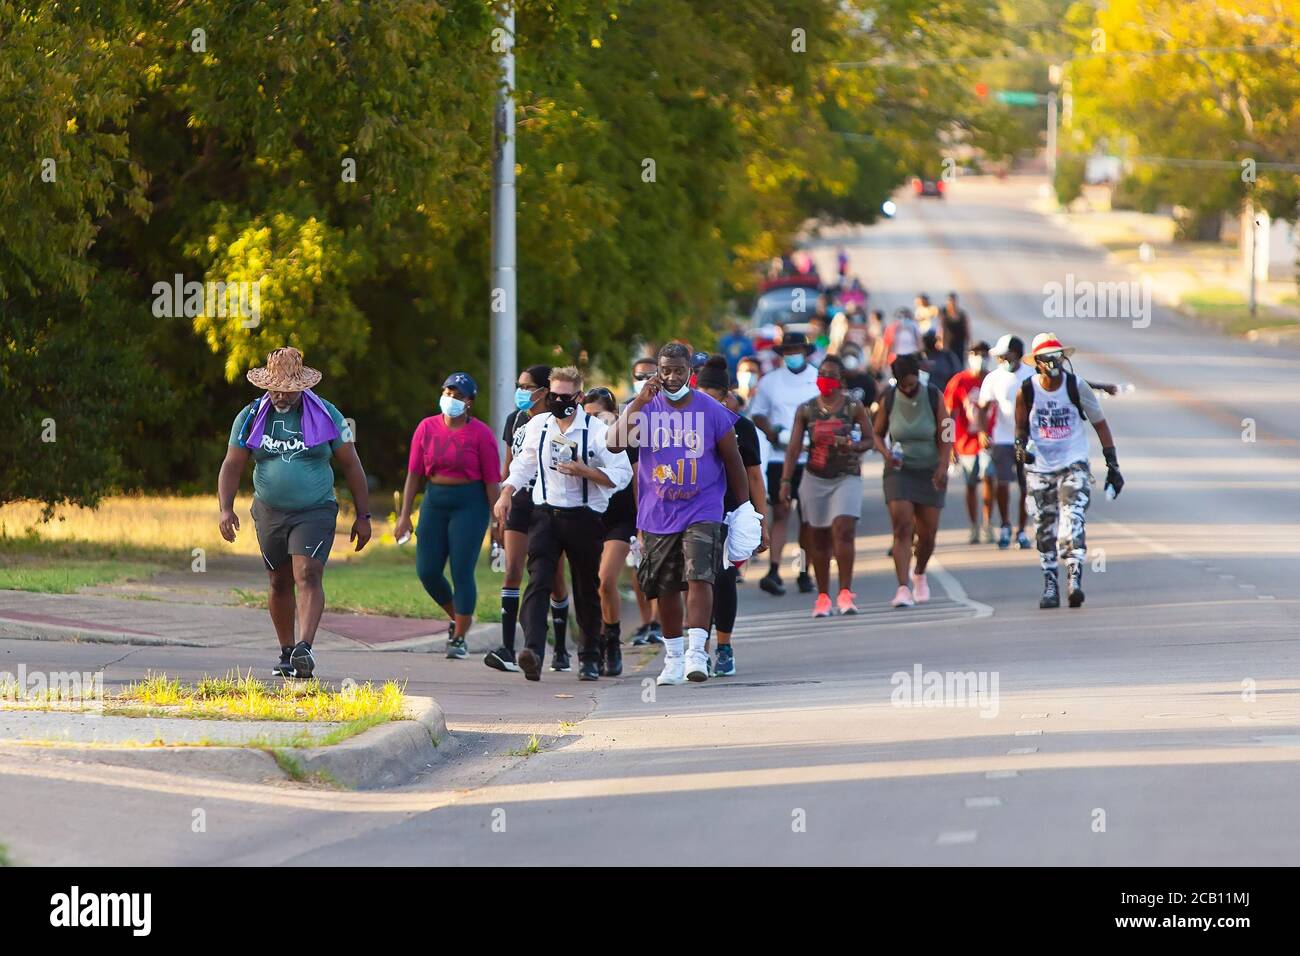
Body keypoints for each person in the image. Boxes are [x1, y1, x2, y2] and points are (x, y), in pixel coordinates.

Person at [218, 346, 371, 679]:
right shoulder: (250, 417)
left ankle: (305, 647)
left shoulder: (327, 414)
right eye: (274, 387)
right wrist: (225, 509)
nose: (281, 395)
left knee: (308, 575)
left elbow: (351, 464)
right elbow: (232, 464)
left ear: (302, 386)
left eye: (287, 388)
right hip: (269, 511)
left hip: (314, 511)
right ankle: (288, 652)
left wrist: (363, 515)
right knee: (278, 581)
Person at [608, 343, 749, 685]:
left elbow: (733, 461)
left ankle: (696, 653)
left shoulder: (710, 410)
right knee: (666, 586)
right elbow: (613, 443)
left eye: (679, 371)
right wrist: (639, 401)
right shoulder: (645, 408)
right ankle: (672, 657)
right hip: (657, 511)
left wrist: (744, 509)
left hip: (703, 507)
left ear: (691, 372)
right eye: (666, 370)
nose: (672, 377)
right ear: (658, 371)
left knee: (700, 576)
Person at [492, 367, 632, 681]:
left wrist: (587, 472)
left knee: (585, 588)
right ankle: (533, 651)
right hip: (545, 516)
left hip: (584, 517)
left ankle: (589, 657)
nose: (557, 401)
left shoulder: (597, 431)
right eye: (553, 395)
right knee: (538, 580)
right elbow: (523, 464)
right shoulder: (538, 426)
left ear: (579, 397)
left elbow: (622, 475)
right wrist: (507, 493)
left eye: (565, 397)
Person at [395, 372, 500, 659]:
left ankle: (460, 638)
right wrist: (404, 515)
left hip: (470, 503)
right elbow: (414, 473)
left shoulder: (481, 434)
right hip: (435, 500)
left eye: (458, 395)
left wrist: (497, 520)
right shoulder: (426, 428)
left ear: (469, 402)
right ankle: (460, 615)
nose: (451, 399)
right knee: (427, 570)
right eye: (448, 392)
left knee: (461, 570)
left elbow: (492, 481)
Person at [1015, 333, 1123, 609]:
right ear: (1037, 363)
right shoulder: (1026, 390)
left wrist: (1112, 464)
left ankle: (1074, 579)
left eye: (1057, 357)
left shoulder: (1077, 386)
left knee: (1072, 519)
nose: (1053, 363)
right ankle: (1050, 583)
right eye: (1047, 358)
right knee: (1044, 527)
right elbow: (1020, 428)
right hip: (1040, 467)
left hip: (1073, 463)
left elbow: (1100, 424)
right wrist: (1019, 448)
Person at [484, 365, 573, 674]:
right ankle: (508, 649)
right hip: (520, 500)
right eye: (518, 385)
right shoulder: (516, 419)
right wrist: (501, 504)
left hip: (547, 501)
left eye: (526, 386)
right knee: (512, 571)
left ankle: (561, 648)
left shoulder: (557, 419)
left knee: (553, 578)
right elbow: (509, 465)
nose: (520, 391)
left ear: (543, 391)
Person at [781, 355, 872, 616]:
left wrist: (853, 445)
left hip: (847, 475)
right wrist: (786, 481)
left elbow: (869, 439)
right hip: (815, 478)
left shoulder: (853, 406)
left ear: (841, 380)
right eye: (822, 374)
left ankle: (845, 592)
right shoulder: (806, 409)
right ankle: (822, 596)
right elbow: (794, 447)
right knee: (817, 537)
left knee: (844, 529)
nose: (825, 379)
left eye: (831, 375)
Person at [696, 356, 768, 676]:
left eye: (715, 399)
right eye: (702, 398)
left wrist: (759, 521)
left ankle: (723, 646)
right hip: (692, 511)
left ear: (727, 396)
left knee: (723, 578)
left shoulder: (742, 428)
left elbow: (754, 478)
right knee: (697, 580)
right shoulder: (685, 424)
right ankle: (698, 649)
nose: (707, 405)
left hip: (728, 512)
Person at [873, 354, 952, 608]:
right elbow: (876, 433)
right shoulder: (889, 397)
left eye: (911, 384)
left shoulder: (932, 395)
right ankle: (902, 588)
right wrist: (886, 454)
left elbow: (947, 430)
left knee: (927, 534)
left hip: (930, 469)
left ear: (918, 377)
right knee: (902, 527)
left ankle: (919, 573)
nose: (908, 389)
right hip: (900, 471)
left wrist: (943, 464)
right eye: (903, 385)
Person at [748, 330, 820, 597]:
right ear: (782, 354)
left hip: (811, 456)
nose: (792, 356)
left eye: (796, 351)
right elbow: (757, 413)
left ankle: (804, 571)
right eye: (788, 352)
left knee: (809, 518)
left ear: (805, 352)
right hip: (781, 456)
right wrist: (774, 433)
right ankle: (774, 569)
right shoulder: (770, 382)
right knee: (781, 511)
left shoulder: (816, 379)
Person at [582, 386, 635, 676]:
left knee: (605, 580)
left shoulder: (624, 441)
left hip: (620, 518)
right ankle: (594, 641)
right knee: (588, 585)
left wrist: (643, 524)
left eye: (599, 415)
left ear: (614, 415)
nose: (593, 422)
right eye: (586, 415)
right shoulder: (578, 439)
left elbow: (639, 480)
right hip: (588, 516)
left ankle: (612, 641)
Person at [977, 334, 1034, 550]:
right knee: (1002, 484)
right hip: (1001, 438)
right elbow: (983, 407)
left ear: (1017, 354)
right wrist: (983, 431)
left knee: (1024, 485)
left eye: (1005, 354)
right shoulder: (993, 378)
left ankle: (1021, 530)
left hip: (1026, 439)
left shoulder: (1030, 376)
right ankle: (1005, 525)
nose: (1001, 359)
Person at [627, 356, 664, 647]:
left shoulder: (671, 408)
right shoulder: (629, 409)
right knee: (636, 564)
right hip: (631, 496)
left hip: (663, 495)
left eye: (651, 375)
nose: (646, 380)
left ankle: (660, 621)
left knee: (661, 563)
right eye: (640, 376)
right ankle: (645, 622)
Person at [944, 341, 997, 544]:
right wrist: (948, 445)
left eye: (983, 354)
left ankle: (987, 523)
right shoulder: (959, 381)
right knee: (970, 484)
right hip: (965, 442)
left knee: (988, 476)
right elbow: (948, 415)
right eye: (976, 353)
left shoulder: (992, 380)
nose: (980, 358)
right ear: (969, 356)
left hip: (988, 441)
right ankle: (973, 525)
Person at [872, 307, 922, 374]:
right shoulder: (892, 328)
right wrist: (883, 362)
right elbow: (887, 346)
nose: (904, 319)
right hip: (896, 360)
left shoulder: (914, 327)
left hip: (911, 360)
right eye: (901, 317)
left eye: (906, 317)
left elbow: (920, 345)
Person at [920, 328, 962, 394]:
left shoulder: (948, 356)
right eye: (927, 339)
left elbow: (957, 376)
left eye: (932, 339)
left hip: (945, 394)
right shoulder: (918, 358)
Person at [940, 292, 970, 359]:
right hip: (948, 344)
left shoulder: (962, 314)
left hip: (960, 344)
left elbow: (967, 331)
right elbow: (941, 329)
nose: (952, 302)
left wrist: (968, 345)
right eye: (950, 300)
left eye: (953, 300)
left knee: (960, 364)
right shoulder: (944, 314)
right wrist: (942, 343)